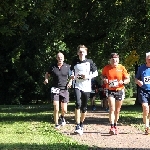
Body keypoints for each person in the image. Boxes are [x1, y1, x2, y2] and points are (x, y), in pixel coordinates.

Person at [70, 45, 98, 135]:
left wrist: (88, 76)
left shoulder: (90, 62)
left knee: (84, 107)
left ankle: (81, 124)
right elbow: (71, 71)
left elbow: (96, 73)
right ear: (78, 53)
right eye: (80, 52)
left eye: (83, 52)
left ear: (86, 53)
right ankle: (77, 124)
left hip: (86, 86)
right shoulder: (74, 61)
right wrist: (72, 76)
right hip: (77, 85)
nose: (81, 53)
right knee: (78, 103)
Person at [102, 53, 130, 135]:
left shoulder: (122, 68)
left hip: (120, 90)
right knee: (112, 108)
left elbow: (128, 79)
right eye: (113, 59)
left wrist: (123, 81)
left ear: (118, 60)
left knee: (117, 111)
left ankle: (115, 125)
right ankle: (111, 126)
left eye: (116, 59)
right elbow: (103, 76)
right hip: (110, 90)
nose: (115, 61)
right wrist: (105, 79)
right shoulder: (106, 68)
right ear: (110, 60)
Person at [44, 52, 72, 129]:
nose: (60, 58)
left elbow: (72, 76)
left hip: (64, 89)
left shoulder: (68, 67)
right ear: (56, 58)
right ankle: (56, 123)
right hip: (55, 89)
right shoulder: (53, 67)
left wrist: (70, 82)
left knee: (64, 109)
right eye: (58, 57)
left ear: (64, 58)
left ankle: (62, 117)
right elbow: (47, 73)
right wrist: (46, 79)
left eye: (61, 57)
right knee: (56, 108)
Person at [135, 52, 150, 135]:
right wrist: (138, 81)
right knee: (145, 107)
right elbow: (136, 79)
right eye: (149, 58)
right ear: (146, 59)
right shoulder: (141, 68)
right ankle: (146, 126)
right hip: (143, 91)